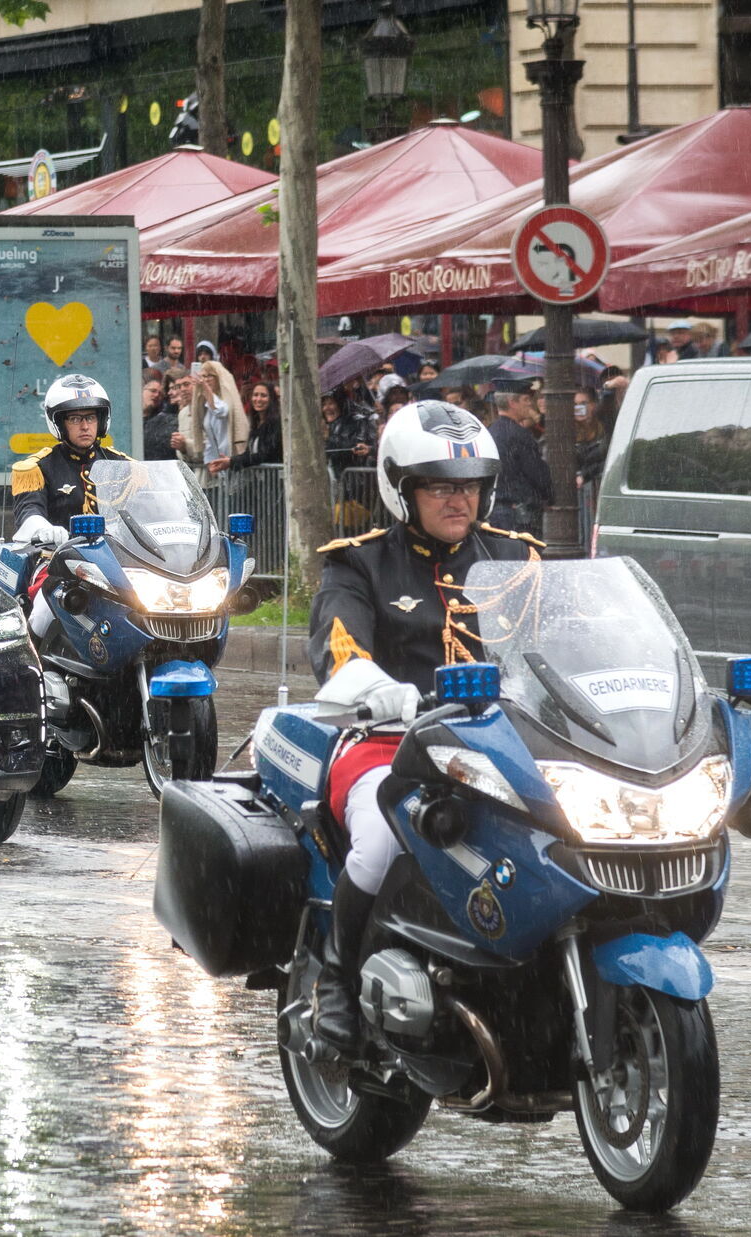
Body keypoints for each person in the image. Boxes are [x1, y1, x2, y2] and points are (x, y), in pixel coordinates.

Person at [305, 402, 541, 1051]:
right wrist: (378, 690)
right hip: (389, 741)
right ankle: (338, 979)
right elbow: (340, 646)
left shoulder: (517, 558)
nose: (458, 498)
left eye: (467, 484)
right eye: (439, 485)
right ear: (401, 487)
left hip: (503, 745)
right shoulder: (360, 564)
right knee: (384, 836)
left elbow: (568, 643)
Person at [10, 375, 129, 545]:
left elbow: (147, 512)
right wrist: (44, 529)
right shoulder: (38, 468)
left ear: (101, 421)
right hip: (58, 559)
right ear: (59, 423)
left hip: (118, 557)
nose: (85, 426)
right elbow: (29, 511)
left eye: (91, 417)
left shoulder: (122, 465)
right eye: (75, 419)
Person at [486, 384, 550, 535]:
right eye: (525, 399)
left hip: (496, 511)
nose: (529, 403)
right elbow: (537, 474)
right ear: (511, 402)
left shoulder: (490, 432)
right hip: (518, 514)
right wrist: (550, 495)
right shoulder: (519, 435)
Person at [229, 381, 282, 472]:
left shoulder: (276, 423)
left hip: (275, 481)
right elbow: (249, 453)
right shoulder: (256, 425)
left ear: (272, 399)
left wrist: (232, 461)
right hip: (259, 481)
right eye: (255, 395)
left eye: (263, 395)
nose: (258, 399)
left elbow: (264, 455)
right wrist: (230, 460)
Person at [140, 377, 175, 461]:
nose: (157, 395)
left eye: (160, 394)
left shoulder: (163, 421)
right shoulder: (129, 419)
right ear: (141, 390)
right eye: (153, 391)